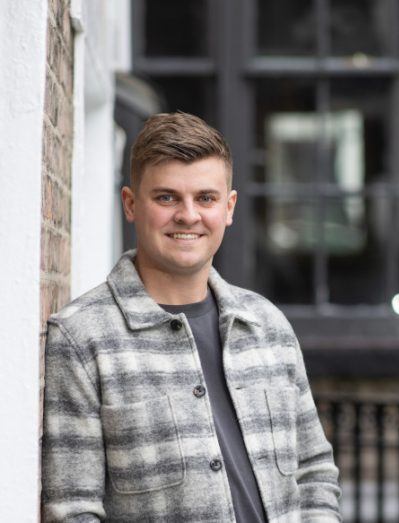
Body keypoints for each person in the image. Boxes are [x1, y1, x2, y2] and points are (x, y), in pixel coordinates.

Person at [42, 112, 341, 522]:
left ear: (229, 207)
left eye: (205, 198)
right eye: (166, 198)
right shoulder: (82, 338)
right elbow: (73, 509)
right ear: (131, 204)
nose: (188, 215)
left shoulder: (268, 326)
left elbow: (314, 472)